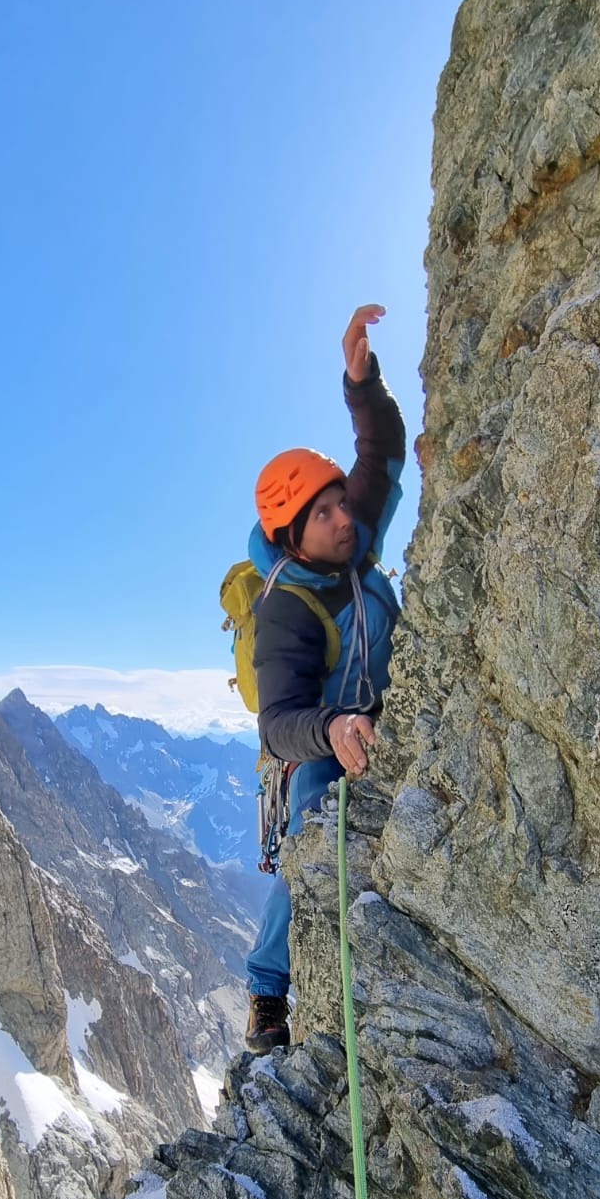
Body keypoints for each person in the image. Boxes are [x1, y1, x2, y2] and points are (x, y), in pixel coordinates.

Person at [245, 304, 406, 1055]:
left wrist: (359, 380)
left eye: (342, 503)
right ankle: (268, 992)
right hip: (318, 741)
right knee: (315, 829)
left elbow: (384, 452)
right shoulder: (287, 610)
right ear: (292, 536)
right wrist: (333, 732)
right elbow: (277, 719)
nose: (346, 518)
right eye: (326, 513)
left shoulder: (353, 540)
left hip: (383, 712)